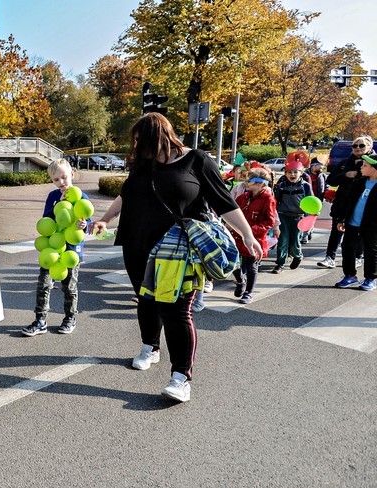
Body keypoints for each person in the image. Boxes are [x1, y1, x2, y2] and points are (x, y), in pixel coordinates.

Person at [92, 113, 262, 403]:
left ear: (160, 137)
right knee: (146, 300)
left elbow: (224, 201)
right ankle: (151, 347)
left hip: (179, 251)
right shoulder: (144, 164)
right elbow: (126, 193)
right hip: (137, 244)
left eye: (141, 141)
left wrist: (246, 235)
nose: (137, 147)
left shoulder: (196, 160)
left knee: (176, 312)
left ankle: (181, 377)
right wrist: (106, 219)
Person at [21, 158, 91, 336]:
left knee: (69, 286)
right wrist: (57, 204)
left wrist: (84, 224)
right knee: (43, 284)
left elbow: (87, 221)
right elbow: (46, 219)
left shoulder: (82, 196)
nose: (61, 182)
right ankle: (40, 320)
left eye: (64, 177)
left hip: (71, 250)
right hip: (52, 248)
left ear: (72, 175)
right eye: (56, 179)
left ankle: (70, 318)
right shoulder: (53, 196)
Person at [321, 136, 372, 269]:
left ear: (369, 147)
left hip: (362, 203)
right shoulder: (345, 162)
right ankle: (330, 257)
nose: (358, 148)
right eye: (355, 146)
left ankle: (358, 257)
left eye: (362, 146)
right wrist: (346, 175)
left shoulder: (372, 164)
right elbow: (331, 180)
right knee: (336, 230)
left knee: (359, 231)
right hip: (342, 203)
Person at [230, 169, 277, 304]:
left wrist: (249, 231)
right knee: (232, 262)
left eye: (250, 180)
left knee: (251, 266)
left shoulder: (268, 199)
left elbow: (269, 221)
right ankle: (240, 280)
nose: (247, 182)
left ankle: (249, 292)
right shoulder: (242, 198)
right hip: (237, 236)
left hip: (255, 238)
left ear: (260, 184)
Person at [332, 154, 377, 290]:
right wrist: (341, 219)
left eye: (365, 166)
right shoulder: (359, 183)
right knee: (347, 248)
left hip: (371, 226)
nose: (361, 168)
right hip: (352, 223)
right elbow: (348, 202)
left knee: (371, 251)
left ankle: (370, 278)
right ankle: (350, 276)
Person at [272, 158, 312, 273]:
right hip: (283, 216)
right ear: (285, 173)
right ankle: (280, 263)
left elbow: (311, 201)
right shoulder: (281, 186)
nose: (292, 174)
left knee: (295, 241)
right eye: (289, 172)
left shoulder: (306, 186)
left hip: (298, 217)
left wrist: (311, 215)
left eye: (295, 172)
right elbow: (275, 201)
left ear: (301, 173)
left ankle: (297, 256)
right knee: (282, 240)